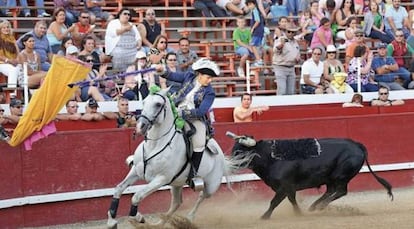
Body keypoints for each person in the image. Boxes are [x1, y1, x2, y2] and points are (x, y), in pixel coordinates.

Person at [154, 57, 220, 190]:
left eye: (211, 78)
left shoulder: (210, 92)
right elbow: (172, 75)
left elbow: (201, 111)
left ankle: (193, 174)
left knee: (199, 142)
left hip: (194, 119)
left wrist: (182, 114)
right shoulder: (189, 76)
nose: (210, 80)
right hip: (175, 110)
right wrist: (162, 71)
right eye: (208, 77)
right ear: (199, 75)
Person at [105, 8, 142, 72]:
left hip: (133, 49)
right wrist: (125, 29)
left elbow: (138, 37)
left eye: (128, 14)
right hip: (118, 48)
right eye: (125, 14)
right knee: (118, 54)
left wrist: (139, 44)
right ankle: (118, 75)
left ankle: (137, 75)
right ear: (120, 15)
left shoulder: (131, 25)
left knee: (141, 54)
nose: (127, 16)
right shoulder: (113, 23)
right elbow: (114, 33)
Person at [272, 25, 301, 95]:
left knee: (291, 91)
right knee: (282, 90)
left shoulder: (295, 42)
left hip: (291, 68)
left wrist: (298, 58)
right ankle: (279, 105)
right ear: (285, 32)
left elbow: (297, 53)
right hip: (280, 67)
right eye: (289, 32)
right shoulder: (281, 39)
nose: (290, 33)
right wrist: (281, 45)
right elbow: (275, 50)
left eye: (293, 32)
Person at [0, 20, 21, 88]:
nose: (6, 29)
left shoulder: (12, 38)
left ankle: (27, 93)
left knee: (23, 69)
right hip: (2, 62)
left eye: (8, 27)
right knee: (13, 70)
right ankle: (11, 95)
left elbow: (18, 52)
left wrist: (17, 60)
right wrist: (8, 61)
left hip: (13, 62)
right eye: (4, 28)